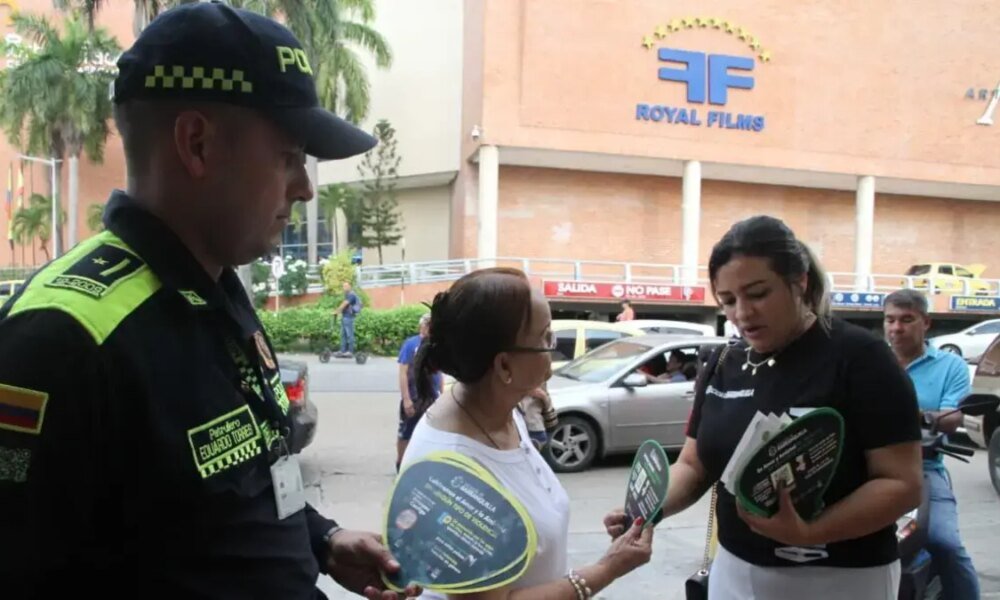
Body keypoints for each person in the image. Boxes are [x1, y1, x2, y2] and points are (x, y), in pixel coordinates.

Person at [0, 4, 418, 599]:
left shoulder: (217, 290)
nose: (303, 188)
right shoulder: (63, 339)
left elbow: (235, 488)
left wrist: (317, 540)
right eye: (289, 156)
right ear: (197, 144)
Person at [606, 216, 923, 598]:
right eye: (727, 301)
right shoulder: (723, 364)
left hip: (840, 577)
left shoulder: (861, 358)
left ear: (799, 281)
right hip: (735, 570)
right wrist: (645, 512)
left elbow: (901, 484)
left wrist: (811, 532)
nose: (742, 313)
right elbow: (694, 465)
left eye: (757, 294)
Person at [403, 268, 654, 600]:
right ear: (504, 366)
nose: (554, 350)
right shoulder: (450, 469)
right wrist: (608, 568)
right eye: (546, 338)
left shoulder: (502, 411)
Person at [883, 289, 980, 599]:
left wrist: (913, 414)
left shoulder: (950, 365)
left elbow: (953, 417)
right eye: (890, 320)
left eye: (906, 320)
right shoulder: (871, 360)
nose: (896, 328)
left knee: (945, 543)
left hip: (924, 468)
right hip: (869, 468)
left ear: (926, 322)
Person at [397, 313, 441, 471]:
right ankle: (401, 465)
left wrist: (441, 396)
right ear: (421, 326)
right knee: (406, 432)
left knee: (431, 433)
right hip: (414, 396)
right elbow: (403, 372)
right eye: (426, 324)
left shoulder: (436, 345)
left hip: (432, 398)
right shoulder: (411, 344)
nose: (428, 328)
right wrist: (406, 399)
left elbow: (439, 373)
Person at [335, 281, 361, 357]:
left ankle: (350, 351)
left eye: (346, 286)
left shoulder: (351, 295)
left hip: (349, 317)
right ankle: (342, 351)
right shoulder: (347, 295)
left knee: (349, 335)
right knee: (343, 335)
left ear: (350, 286)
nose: (344, 287)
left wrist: (337, 311)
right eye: (343, 286)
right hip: (345, 317)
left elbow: (344, 304)